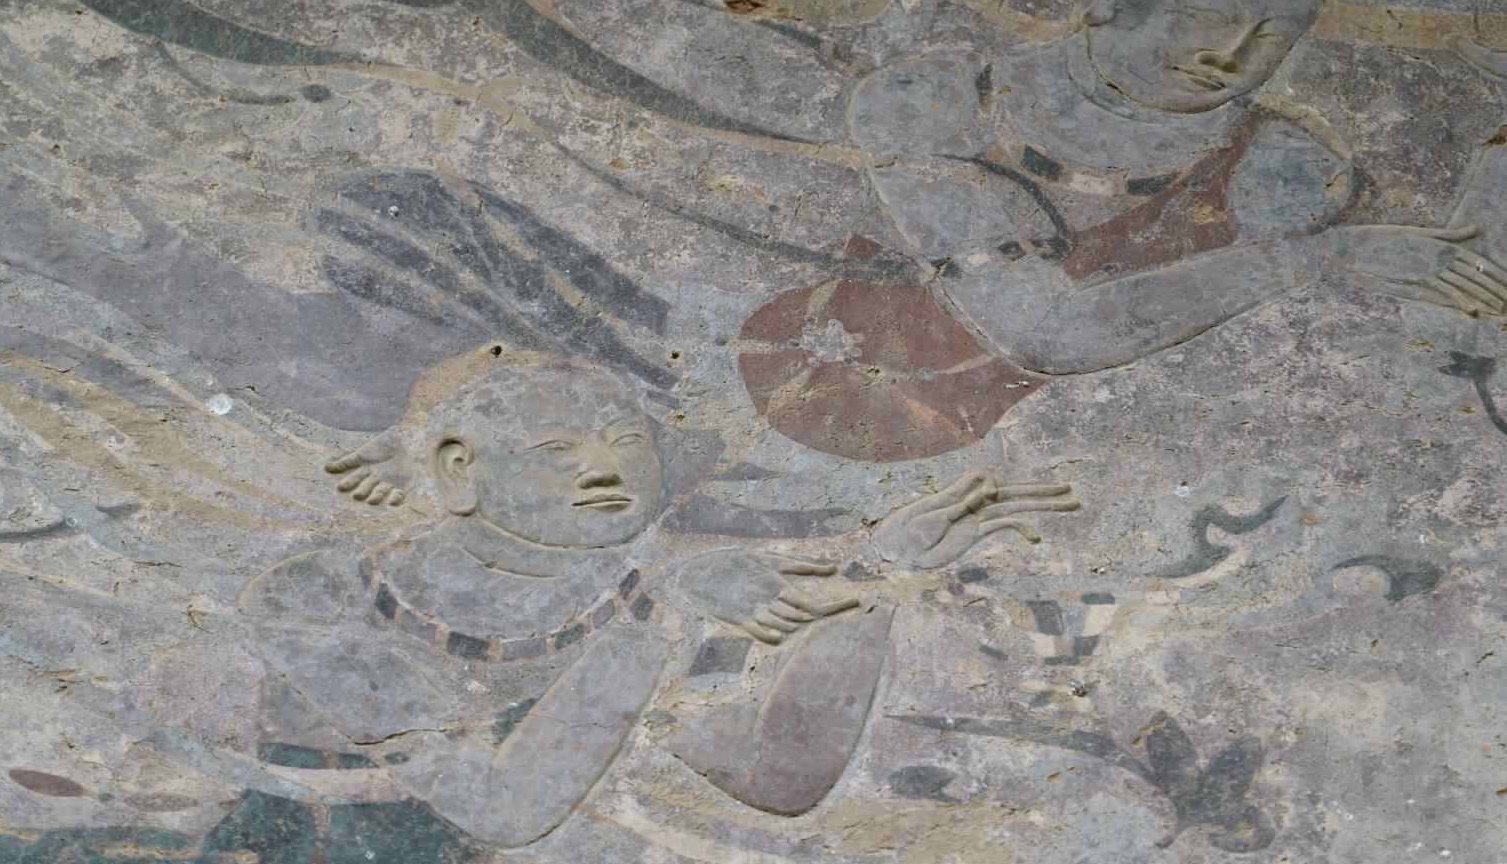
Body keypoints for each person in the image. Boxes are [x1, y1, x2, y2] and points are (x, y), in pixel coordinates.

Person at [214, 353, 1077, 858]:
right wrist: (656, 613)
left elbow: (776, 772)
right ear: (456, 469)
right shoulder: (315, 593)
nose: (604, 469)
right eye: (557, 448)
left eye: (628, 443)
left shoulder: (646, 597)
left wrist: (876, 585)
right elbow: (503, 806)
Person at [846, 0, 1507, 375]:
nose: (1228, 57)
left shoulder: (1274, 161)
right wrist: (1321, 256)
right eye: (1206, 16)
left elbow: (1486, 281)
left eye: (1269, 42)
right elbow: (1047, 332)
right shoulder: (939, 101)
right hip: (865, 384)